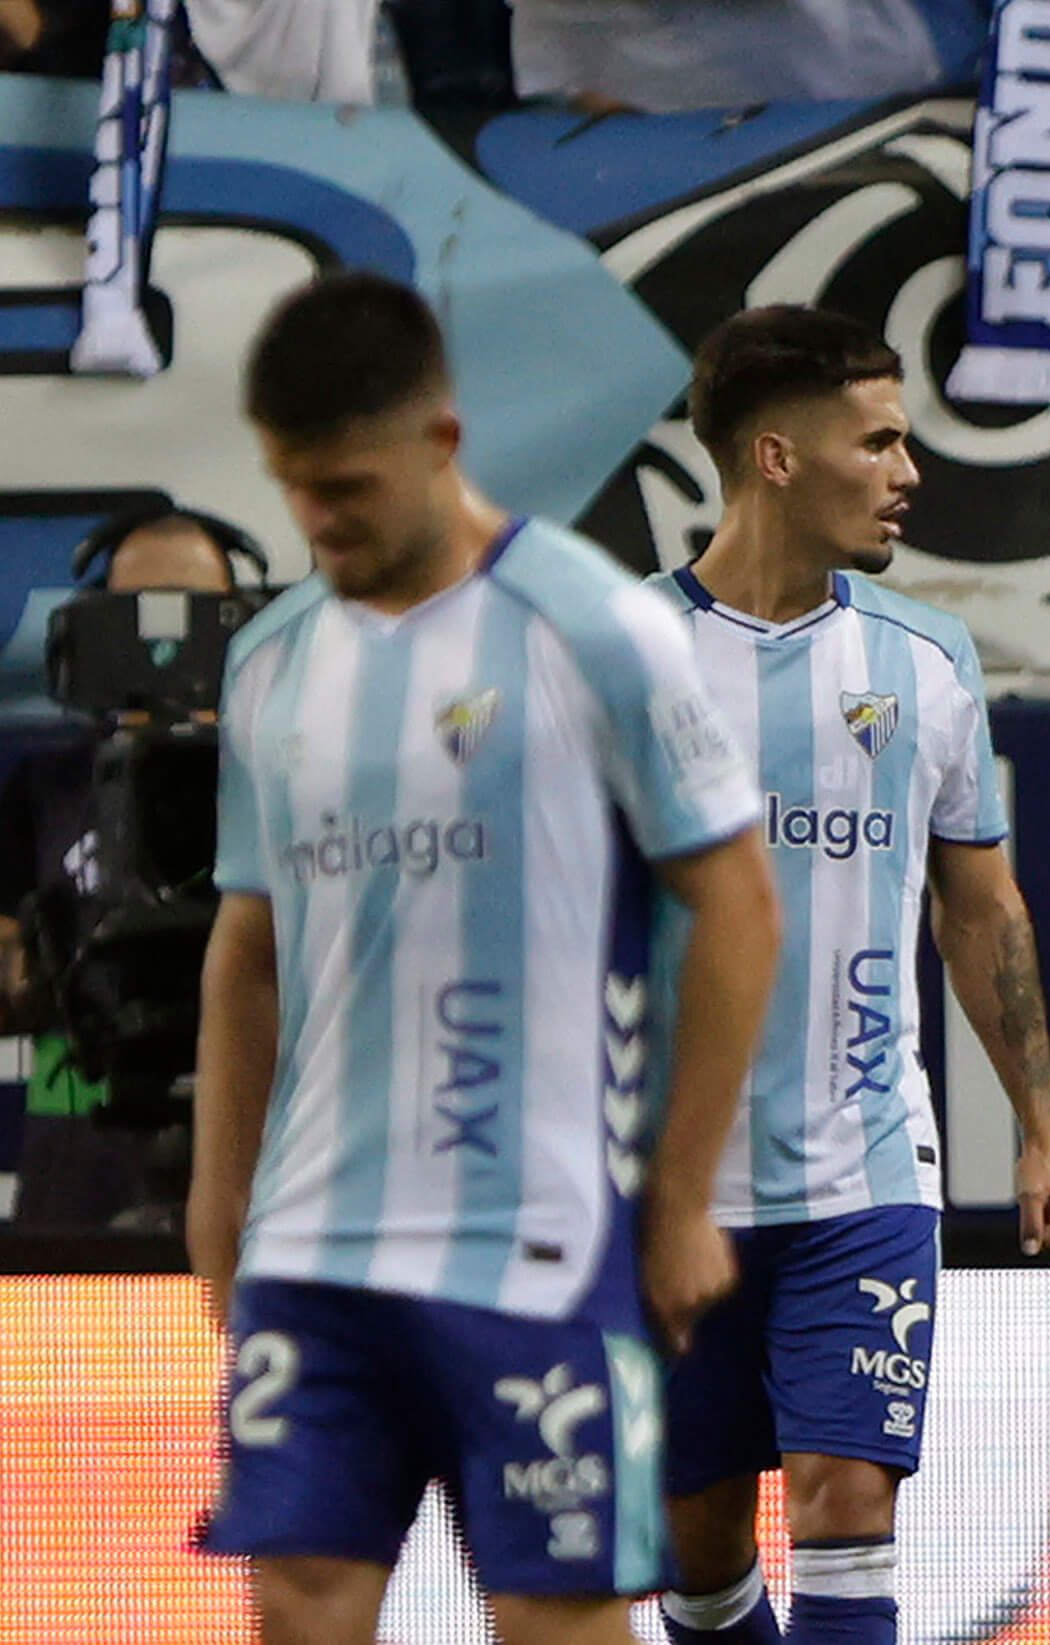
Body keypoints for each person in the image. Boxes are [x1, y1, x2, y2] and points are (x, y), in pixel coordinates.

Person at [189, 270, 781, 1645]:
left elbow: (740, 906)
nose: (317, 521)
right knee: (298, 1599)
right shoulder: (271, 661)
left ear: (441, 444)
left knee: (554, 1614)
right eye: (293, 489)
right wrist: (221, 1206)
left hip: (540, 1239)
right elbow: (248, 949)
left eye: (344, 487)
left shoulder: (595, 627)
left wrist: (682, 1197)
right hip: (316, 1240)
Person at [646, 304, 1050, 1645]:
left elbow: (982, 910)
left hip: (864, 1175)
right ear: (776, 454)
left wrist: (1042, 1132)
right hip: (671, 1195)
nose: (909, 471)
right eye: (880, 440)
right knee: (702, 1549)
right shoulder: (619, 657)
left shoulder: (925, 658)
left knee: (847, 1504)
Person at [0, 508, 239, 1229]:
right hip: (81, 1173)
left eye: (200, 619)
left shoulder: (297, 786)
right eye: (137, 618)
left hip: (254, 1164)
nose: (167, 647)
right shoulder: (47, 787)